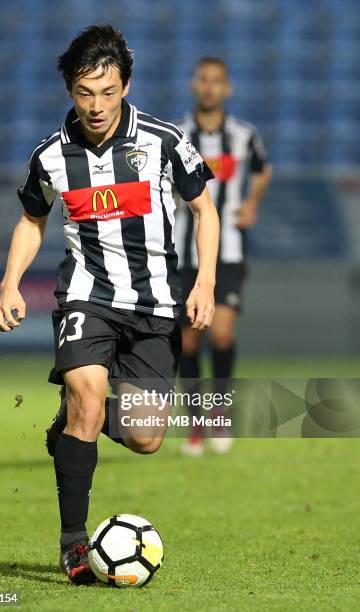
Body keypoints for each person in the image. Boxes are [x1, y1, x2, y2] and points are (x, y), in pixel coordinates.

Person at [0, 25, 219, 585]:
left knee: (145, 437)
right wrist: (9, 282)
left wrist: (205, 283)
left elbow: (204, 211)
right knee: (89, 401)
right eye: (84, 92)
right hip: (86, 298)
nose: (96, 106)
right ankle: (74, 545)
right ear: (70, 89)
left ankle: (69, 426)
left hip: (155, 303)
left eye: (108, 92)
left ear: (126, 86)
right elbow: (32, 219)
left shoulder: (164, 141)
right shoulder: (50, 156)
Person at [174, 57, 272, 456]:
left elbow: (264, 170)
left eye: (217, 81)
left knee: (223, 333)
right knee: (189, 341)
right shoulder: (177, 136)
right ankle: (196, 422)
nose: (210, 87)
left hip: (229, 250)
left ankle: (220, 415)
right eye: (204, 80)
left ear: (227, 88)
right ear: (194, 86)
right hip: (183, 253)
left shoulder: (244, 135)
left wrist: (251, 202)